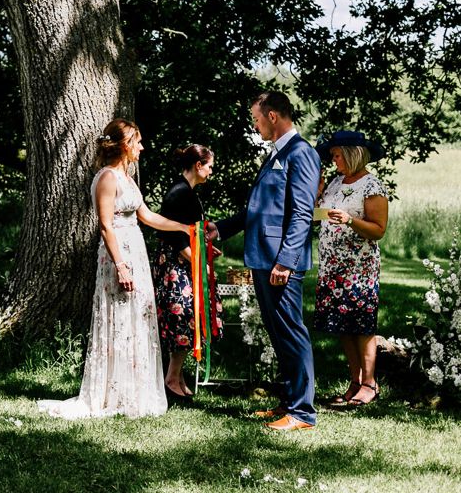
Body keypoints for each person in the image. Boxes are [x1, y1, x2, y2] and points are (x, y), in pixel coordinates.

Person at [38, 119, 191, 419]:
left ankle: (135, 390)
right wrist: (121, 265)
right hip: (117, 254)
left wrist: (185, 228)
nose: (142, 148)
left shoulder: (128, 178)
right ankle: (115, 393)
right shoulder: (107, 178)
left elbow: (146, 216)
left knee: (137, 316)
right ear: (124, 145)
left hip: (137, 250)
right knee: (119, 317)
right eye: (138, 142)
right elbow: (106, 225)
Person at [217, 91, 320, 431]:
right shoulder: (277, 154)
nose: (254, 124)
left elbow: (302, 213)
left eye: (256, 119)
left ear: (273, 116)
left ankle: (303, 413)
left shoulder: (301, 153)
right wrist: (221, 229)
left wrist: (287, 261)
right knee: (278, 333)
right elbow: (260, 210)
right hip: (262, 257)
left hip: (280, 261)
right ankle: (288, 402)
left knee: (291, 331)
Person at [315, 130, 388, 406]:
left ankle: (370, 383)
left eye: (336, 155)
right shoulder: (335, 182)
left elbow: (379, 230)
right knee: (342, 325)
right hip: (332, 267)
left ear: (351, 154)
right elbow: (315, 213)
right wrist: (319, 191)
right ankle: (355, 381)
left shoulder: (372, 186)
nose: (333, 161)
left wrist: (349, 220)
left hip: (359, 268)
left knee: (361, 325)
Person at [153, 145, 222, 401]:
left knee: (188, 317)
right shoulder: (179, 192)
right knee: (183, 316)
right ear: (198, 165)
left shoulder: (188, 192)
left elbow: (190, 231)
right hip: (176, 265)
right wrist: (197, 261)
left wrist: (205, 251)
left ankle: (177, 376)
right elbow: (173, 236)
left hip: (184, 260)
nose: (211, 172)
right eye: (210, 166)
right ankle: (172, 377)